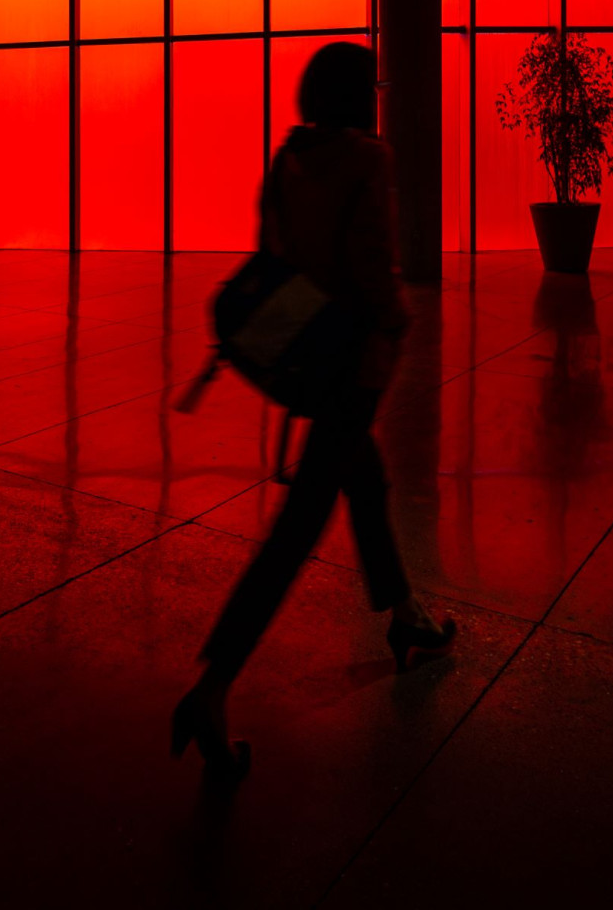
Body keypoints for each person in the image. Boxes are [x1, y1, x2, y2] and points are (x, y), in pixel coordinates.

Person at [170, 42, 455, 782]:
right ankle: (212, 686)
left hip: (304, 350)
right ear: (362, 94)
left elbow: (271, 251)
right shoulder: (370, 159)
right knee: (296, 533)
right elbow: (371, 268)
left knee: (366, 478)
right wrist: (397, 326)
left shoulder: (289, 156)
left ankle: (406, 618)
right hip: (350, 359)